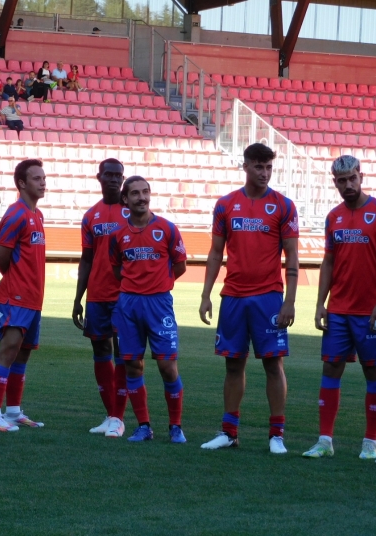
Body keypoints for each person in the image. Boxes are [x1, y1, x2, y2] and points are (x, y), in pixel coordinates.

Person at [199, 143, 299, 455]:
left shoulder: (283, 206)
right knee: (233, 364)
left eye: (269, 167)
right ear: (245, 166)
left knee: (273, 363)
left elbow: (292, 257)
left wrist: (289, 301)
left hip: (269, 297)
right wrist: (205, 295)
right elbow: (216, 254)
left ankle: (277, 434)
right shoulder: (226, 205)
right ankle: (229, 432)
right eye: (258, 166)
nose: (264, 173)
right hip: (233, 297)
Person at [302, 155, 376, 460]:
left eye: (352, 178)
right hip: (339, 310)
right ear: (335, 183)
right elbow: (328, 261)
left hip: (370, 310)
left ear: (361, 176)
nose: (348, 184)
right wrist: (321, 304)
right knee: (331, 368)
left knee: (374, 371)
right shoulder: (333, 217)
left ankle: (370, 444)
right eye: (341, 180)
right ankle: (324, 441)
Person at [109, 176, 188, 443]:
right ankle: (144, 426)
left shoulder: (167, 229)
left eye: (145, 192)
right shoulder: (118, 236)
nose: (141, 197)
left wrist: (158, 285)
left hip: (159, 303)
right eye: (135, 193)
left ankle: (175, 426)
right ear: (125, 200)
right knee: (132, 365)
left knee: (167, 366)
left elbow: (179, 266)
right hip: (129, 304)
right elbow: (117, 269)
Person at [0, 159, 47, 432]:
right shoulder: (16, 214)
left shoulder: (38, 214)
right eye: (36, 178)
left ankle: (12, 412)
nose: (43, 182)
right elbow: (2, 257)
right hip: (17, 297)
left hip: (34, 297)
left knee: (22, 355)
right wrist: (9, 280)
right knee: (8, 351)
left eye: (43, 177)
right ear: (22, 183)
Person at [73, 159, 130, 438]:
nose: (114, 179)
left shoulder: (132, 212)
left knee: (123, 355)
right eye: (109, 175)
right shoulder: (90, 216)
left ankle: (118, 417)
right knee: (100, 353)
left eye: (118, 175)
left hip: (124, 298)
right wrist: (77, 298)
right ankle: (111, 416)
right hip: (96, 297)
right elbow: (86, 259)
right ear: (99, 177)